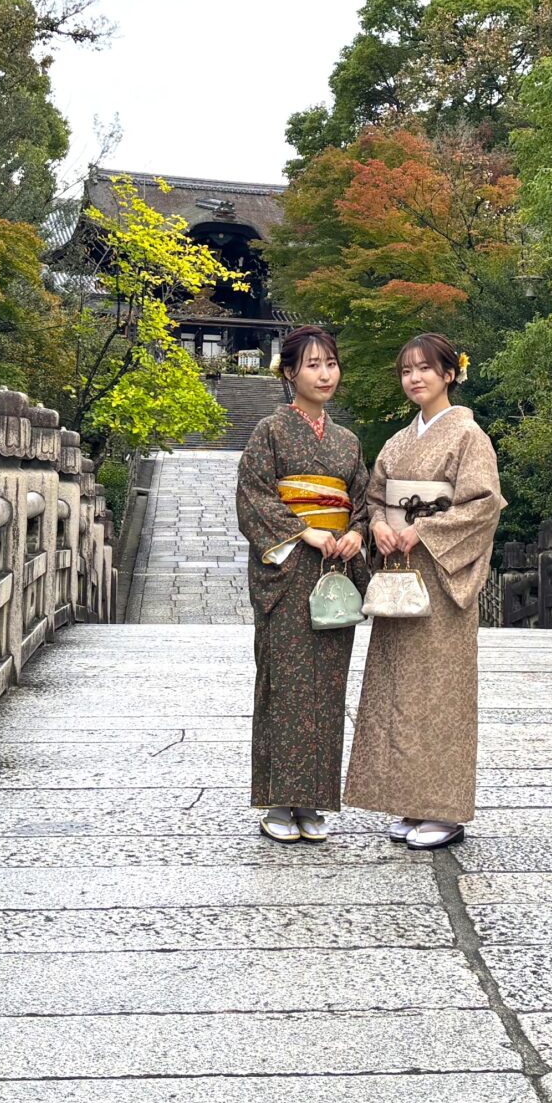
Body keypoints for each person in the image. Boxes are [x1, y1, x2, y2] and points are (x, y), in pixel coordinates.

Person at [346, 332, 501, 849]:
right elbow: (372, 497)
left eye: (425, 369)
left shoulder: (467, 437)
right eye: (406, 370)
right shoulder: (396, 442)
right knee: (398, 694)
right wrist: (378, 527)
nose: (414, 379)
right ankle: (409, 803)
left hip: (440, 577)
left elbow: (481, 504)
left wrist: (424, 530)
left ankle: (445, 810)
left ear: (450, 373)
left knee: (440, 695)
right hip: (398, 572)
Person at [234, 325, 368, 843]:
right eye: (313, 364)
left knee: (328, 690)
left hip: (334, 569)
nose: (325, 373)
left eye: (331, 363)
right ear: (289, 372)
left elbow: (362, 500)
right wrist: (302, 531)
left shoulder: (347, 441)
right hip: (288, 572)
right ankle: (276, 800)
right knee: (285, 685)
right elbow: (254, 496)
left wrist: (356, 534)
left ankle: (313, 801)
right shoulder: (269, 431)